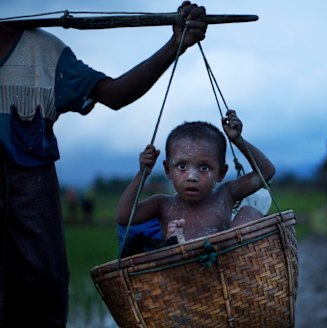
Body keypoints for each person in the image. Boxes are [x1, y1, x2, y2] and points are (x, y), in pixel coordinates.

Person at [0, 2, 207, 326]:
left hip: (30, 196)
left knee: (42, 290)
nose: (192, 176)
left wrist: (174, 45)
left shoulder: (42, 54)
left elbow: (113, 93)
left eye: (204, 168)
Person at [116, 110, 275, 247]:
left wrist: (237, 140)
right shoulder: (162, 205)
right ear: (168, 170)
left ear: (221, 173)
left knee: (249, 212)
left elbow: (266, 172)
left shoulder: (225, 195)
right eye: (182, 166)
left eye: (204, 168)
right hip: (182, 275)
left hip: (227, 268)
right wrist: (142, 173)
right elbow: (124, 217)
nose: (192, 177)